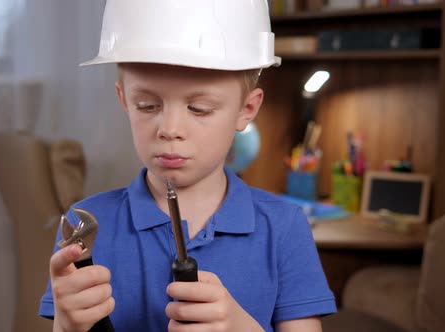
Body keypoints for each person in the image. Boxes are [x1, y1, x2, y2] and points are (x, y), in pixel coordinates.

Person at [39, 1, 336, 331]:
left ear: (246, 109)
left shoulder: (285, 228)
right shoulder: (84, 229)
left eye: (199, 108)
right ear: (124, 100)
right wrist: (67, 326)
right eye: (148, 105)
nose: (170, 128)